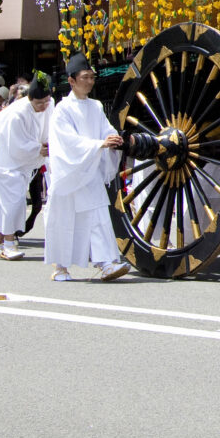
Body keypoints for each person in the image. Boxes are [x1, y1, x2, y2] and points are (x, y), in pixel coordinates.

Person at [43, 54, 131, 282]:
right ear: (72, 81)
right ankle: (61, 266)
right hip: (71, 173)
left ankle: (107, 263)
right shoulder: (62, 109)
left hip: (90, 169)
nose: (90, 82)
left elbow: (104, 128)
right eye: (85, 77)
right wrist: (98, 144)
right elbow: (67, 142)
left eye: (92, 77)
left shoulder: (96, 106)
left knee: (98, 215)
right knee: (65, 219)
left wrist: (111, 138)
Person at [0, 73, 51, 260]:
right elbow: (16, 144)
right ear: (30, 99)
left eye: (46, 101)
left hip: (21, 161)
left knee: (3, 201)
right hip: (5, 158)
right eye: (39, 103)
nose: (43, 106)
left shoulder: (48, 107)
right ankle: (9, 243)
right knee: (13, 201)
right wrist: (39, 149)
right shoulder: (17, 113)